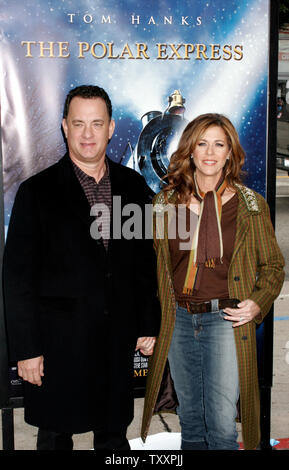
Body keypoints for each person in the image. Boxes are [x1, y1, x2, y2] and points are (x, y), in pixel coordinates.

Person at [3, 85, 160, 450]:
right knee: (56, 436)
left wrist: (148, 323)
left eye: (96, 123)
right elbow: (18, 278)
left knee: (113, 437)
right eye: (78, 124)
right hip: (57, 346)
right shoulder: (36, 192)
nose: (87, 134)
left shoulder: (132, 187)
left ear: (110, 128)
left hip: (115, 343)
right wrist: (26, 349)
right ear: (64, 127)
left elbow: (142, 263)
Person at [141, 113, 285, 450]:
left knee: (221, 424)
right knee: (190, 419)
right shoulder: (165, 203)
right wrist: (148, 322)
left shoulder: (250, 206)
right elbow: (151, 270)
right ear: (189, 150)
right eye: (202, 143)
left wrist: (257, 302)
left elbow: (274, 267)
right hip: (177, 320)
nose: (209, 152)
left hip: (224, 320)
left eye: (219, 144)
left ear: (230, 153)